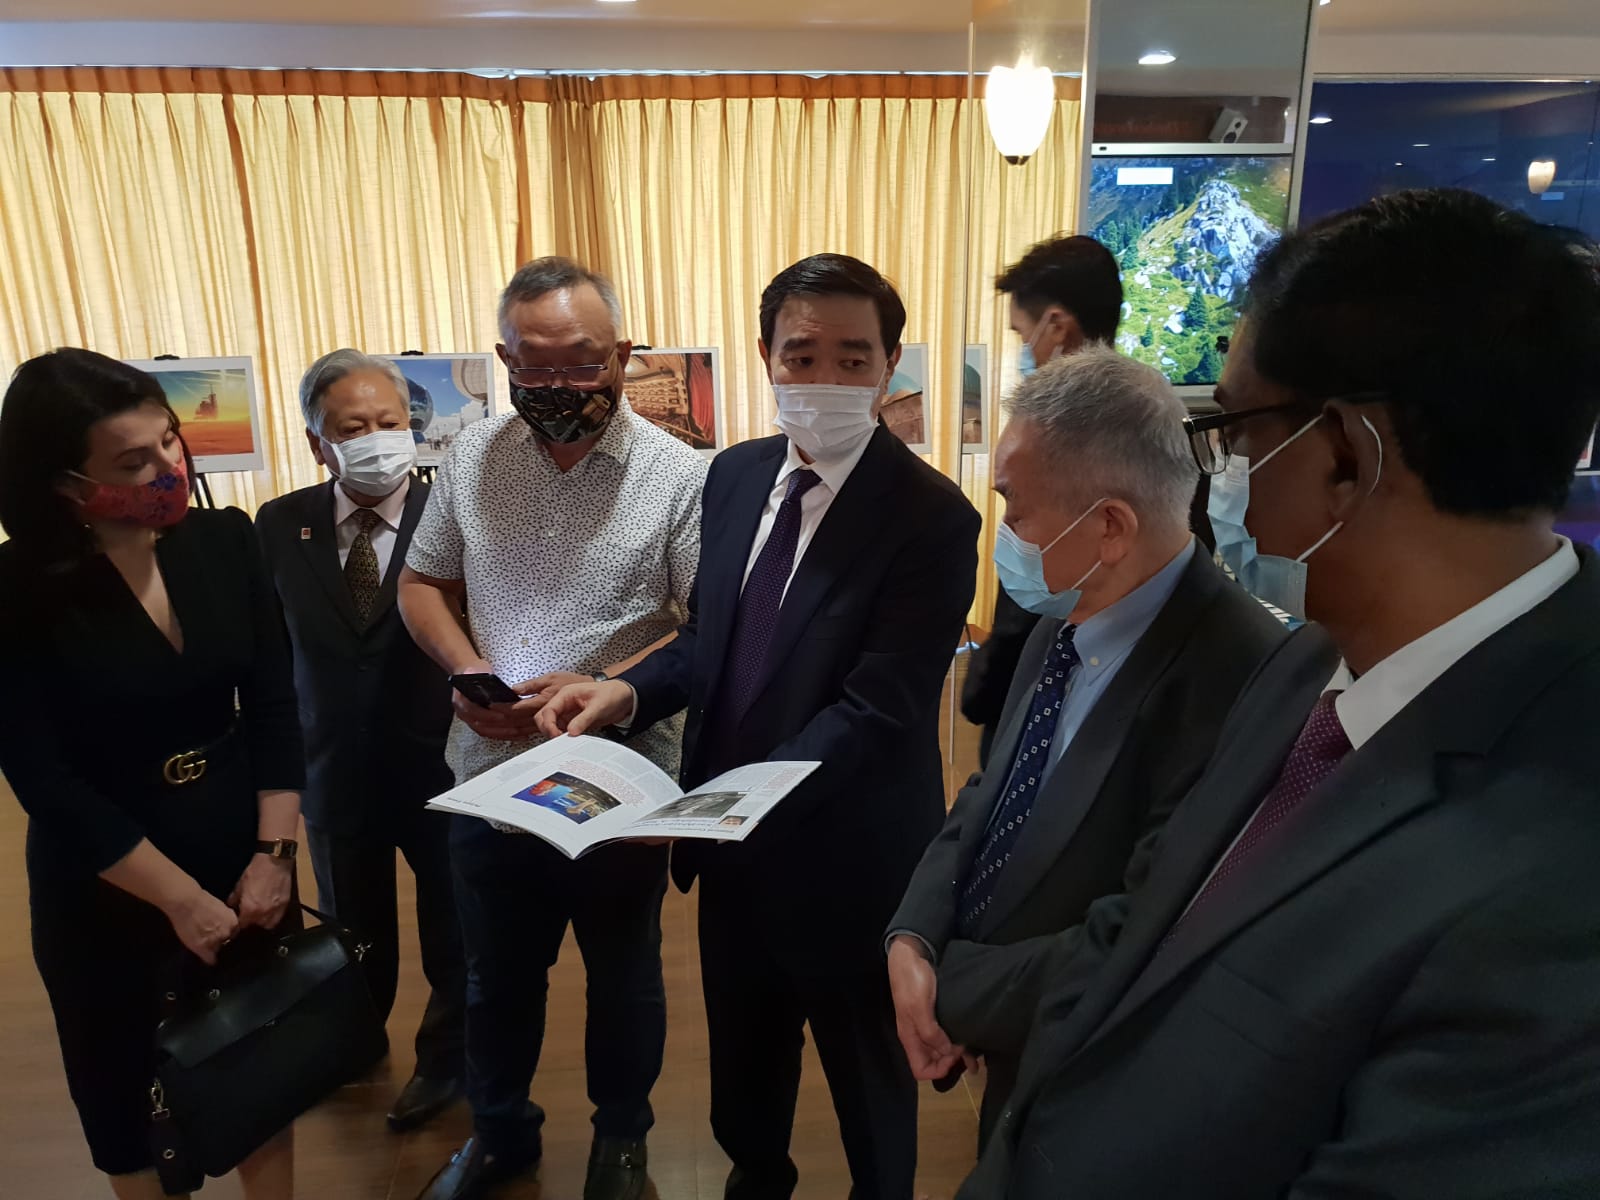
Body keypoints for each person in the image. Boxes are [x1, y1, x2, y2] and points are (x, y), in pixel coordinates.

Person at [955, 189, 1600, 1199]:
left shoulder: (1558, 889)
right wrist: (935, 977)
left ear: (1344, 455)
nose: (1223, 478)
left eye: (1238, 434)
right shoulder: (1309, 666)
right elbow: (1146, 926)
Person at [539, 253, 981, 1200]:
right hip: (734, 866)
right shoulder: (736, 476)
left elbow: (878, 708)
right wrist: (624, 692)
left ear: (890, 364)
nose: (826, 379)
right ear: (765, 356)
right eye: (802, 355)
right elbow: (716, 636)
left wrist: (719, 807)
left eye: (854, 359)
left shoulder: (932, 518)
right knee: (746, 1087)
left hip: (851, 866)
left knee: (871, 1103)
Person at [887, 346, 1287, 1144]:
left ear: (1109, 526)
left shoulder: (1242, 675)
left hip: (1106, 1089)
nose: (1005, 534)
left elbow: (1147, 933)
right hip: (1015, 1054)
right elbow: (992, 794)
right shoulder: (1066, 617)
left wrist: (949, 987)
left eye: (1016, 509)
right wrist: (913, 936)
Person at [398, 258, 707, 1200]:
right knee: (495, 978)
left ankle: (623, 1144)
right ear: (504, 361)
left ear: (622, 354)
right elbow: (421, 583)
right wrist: (466, 670)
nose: (559, 385)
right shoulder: (472, 459)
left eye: (581, 362)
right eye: (534, 365)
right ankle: (499, 1135)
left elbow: (704, 627)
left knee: (625, 975)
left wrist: (609, 685)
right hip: (490, 769)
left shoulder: (680, 477)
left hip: (619, 776)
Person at [0, 350, 304, 1200]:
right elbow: (44, 779)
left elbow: (275, 707)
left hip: (242, 856)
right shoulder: (16, 589)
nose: (168, 468)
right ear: (63, 483)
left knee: (260, 1074)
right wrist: (179, 900)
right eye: (133, 462)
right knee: (125, 1096)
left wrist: (274, 856)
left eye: (170, 441)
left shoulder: (225, 540)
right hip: (106, 876)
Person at [256, 349, 466, 1132]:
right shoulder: (280, 524)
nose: (377, 438)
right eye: (354, 428)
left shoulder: (454, 516)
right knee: (351, 929)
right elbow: (267, 656)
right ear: (319, 443)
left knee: (454, 927)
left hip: (442, 766)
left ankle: (447, 1061)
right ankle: (354, 1042)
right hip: (333, 769)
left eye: (391, 422)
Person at [961, 235, 1124, 766]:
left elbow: (1029, 596)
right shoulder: (1153, 420)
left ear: (1056, 326)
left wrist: (981, 690)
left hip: (1041, 695)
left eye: (1020, 333)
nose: (1022, 351)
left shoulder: (1051, 435)